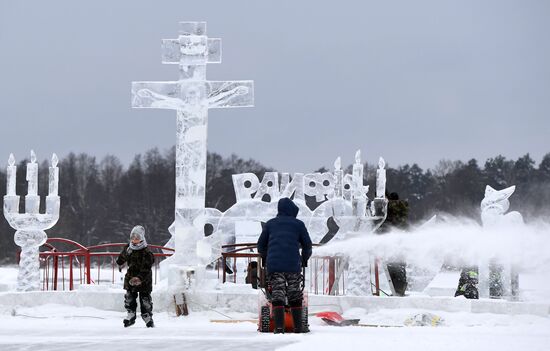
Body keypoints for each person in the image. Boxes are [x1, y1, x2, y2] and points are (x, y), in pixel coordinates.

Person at [257, 198, 313, 334]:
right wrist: (304, 259)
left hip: (274, 265)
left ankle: (279, 327)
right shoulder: (299, 225)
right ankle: (298, 328)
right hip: (293, 265)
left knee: (277, 293)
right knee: (295, 294)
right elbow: (307, 245)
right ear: (293, 211)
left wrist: (266, 257)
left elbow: (260, 245)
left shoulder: (270, 224)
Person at [116, 225, 155, 328]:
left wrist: (139, 278)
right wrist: (125, 253)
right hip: (130, 277)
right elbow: (119, 261)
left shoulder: (146, 252)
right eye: (132, 237)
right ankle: (131, 314)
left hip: (144, 279)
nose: (134, 240)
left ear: (142, 238)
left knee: (145, 299)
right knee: (129, 298)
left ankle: (147, 316)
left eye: (137, 238)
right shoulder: (128, 248)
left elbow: (146, 267)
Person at [377, 192, 409, 296]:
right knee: (399, 265)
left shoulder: (391, 207)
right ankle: (399, 290)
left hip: (394, 241)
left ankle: (398, 291)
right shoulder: (401, 207)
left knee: (394, 265)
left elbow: (385, 222)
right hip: (400, 240)